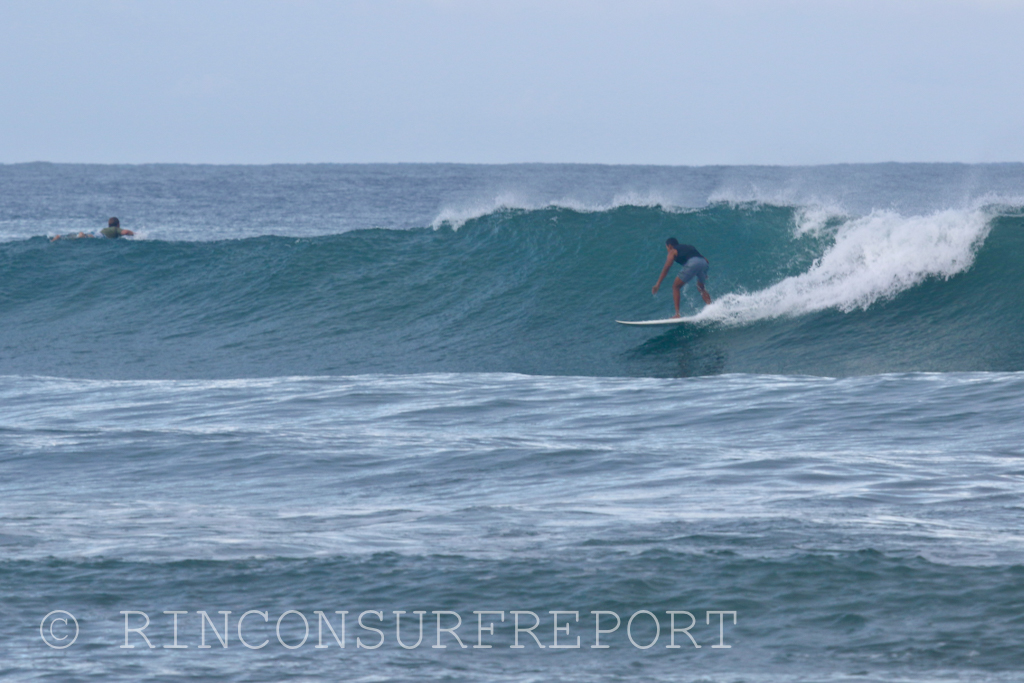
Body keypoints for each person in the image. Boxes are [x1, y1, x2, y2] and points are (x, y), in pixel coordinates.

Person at [651, 237, 711, 317]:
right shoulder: (689, 247)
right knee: (701, 288)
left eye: (667, 248)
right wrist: (704, 273)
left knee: (675, 286)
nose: (667, 250)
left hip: (693, 263)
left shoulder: (672, 251)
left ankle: (677, 314)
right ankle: (711, 308)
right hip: (703, 263)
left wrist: (658, 284)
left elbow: (667, 267)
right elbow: (705, 260)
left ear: (669, 246)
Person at [52, 217, 134, 241]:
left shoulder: (106, 229)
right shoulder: (115, 229)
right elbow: (125, 232)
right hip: (101, 236)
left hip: (97, 233)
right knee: (85, 236)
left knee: (79, 236)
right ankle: (82, 235)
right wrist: (136, 234)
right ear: (118, 224)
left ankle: (60, 237)